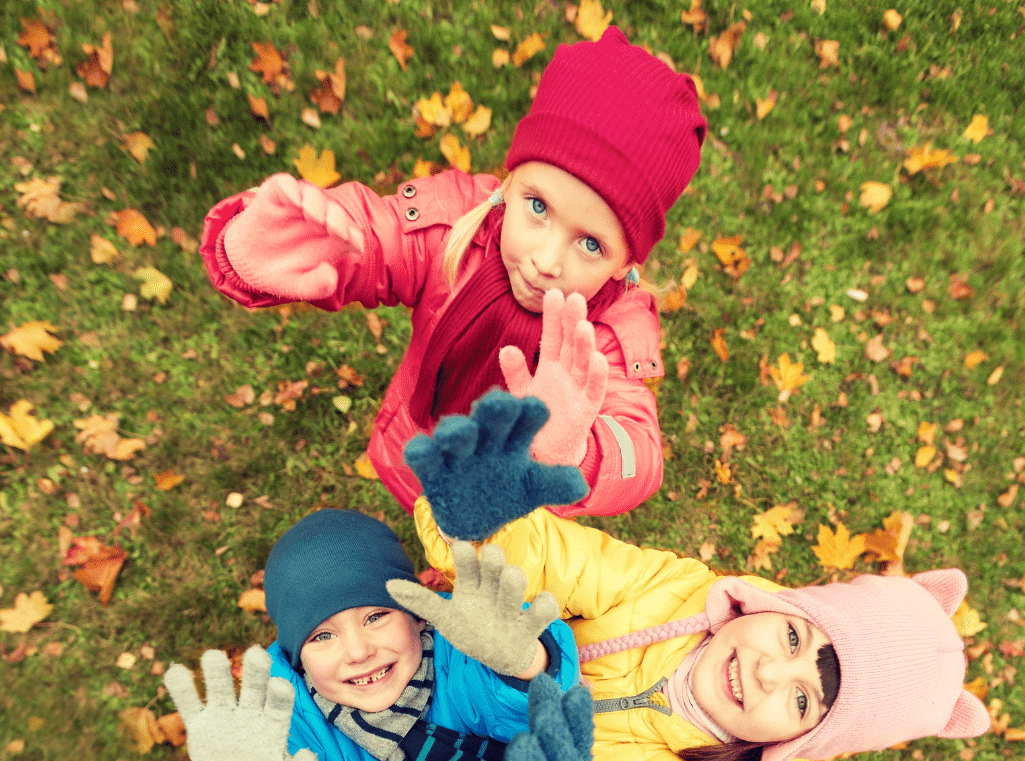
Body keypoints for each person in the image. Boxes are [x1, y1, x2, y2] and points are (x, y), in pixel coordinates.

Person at [391, 388, 991, 761]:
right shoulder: (672, 591)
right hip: (433, 657)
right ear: (774, 605)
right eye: (791, 639)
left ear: (795, 744)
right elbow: (554, 556)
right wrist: (480, 518)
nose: (766, 673)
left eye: (802, 700)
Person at [198, 27, 706, 518]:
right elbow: (376, 238)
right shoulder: (457, 227)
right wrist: (257, 252)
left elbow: (639, 451)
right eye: (537, 207)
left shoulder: (612, 332)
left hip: (509, 522)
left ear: (626, 263)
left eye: (591, 244)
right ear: (510, 182)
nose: (547, 261)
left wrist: (574, 449)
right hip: (412, 458)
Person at [164, 507, 578, 761]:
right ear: (299, 661)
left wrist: (524, 662)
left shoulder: (463, 650)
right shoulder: (294, 724)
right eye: (322, 636)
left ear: (416, 615)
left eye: (375, 617)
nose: (358, 651)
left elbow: (532, 711)